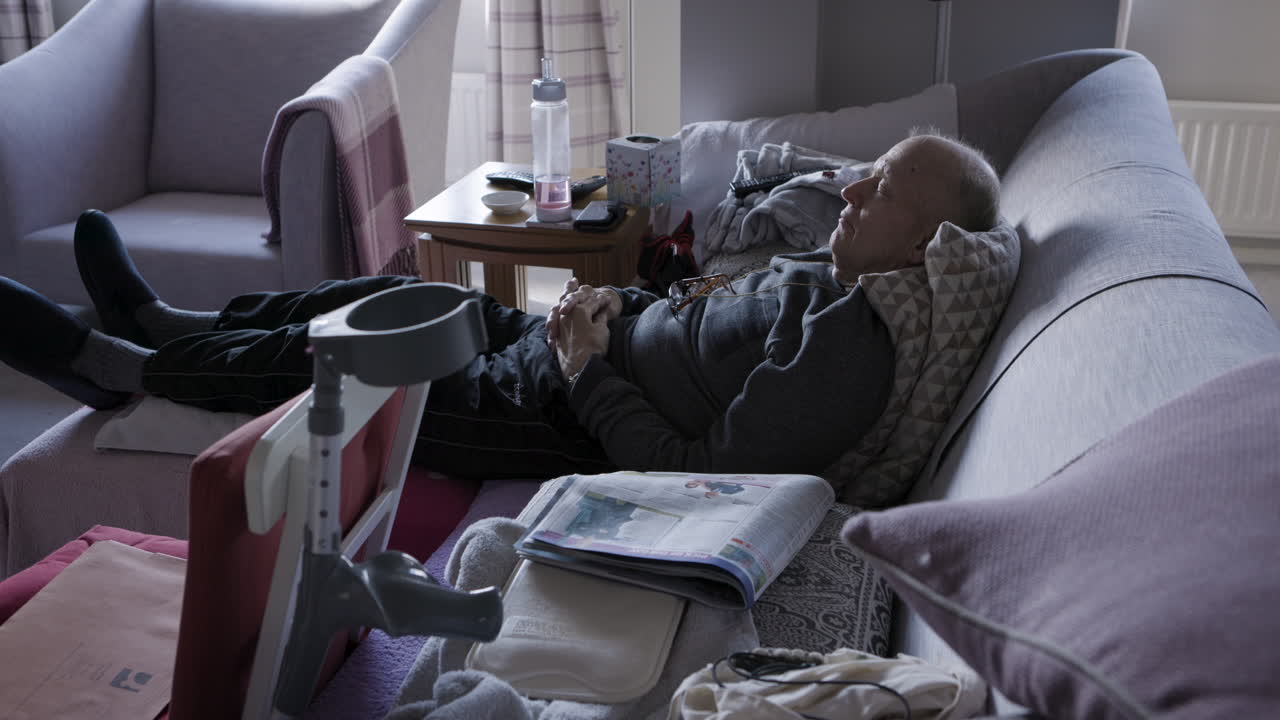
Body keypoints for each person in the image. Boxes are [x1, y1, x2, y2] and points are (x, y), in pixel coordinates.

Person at [0, 132, 1000, 481]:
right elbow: (698, 305)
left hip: (558, 418)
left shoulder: (850, 354)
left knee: (354, 365)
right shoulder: (822, 276)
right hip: (571, 352)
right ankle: (180, 325)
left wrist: (583, 369)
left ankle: (115, 371)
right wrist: (612, 303)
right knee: (399, 290)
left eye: (880, 192)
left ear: (922, 245)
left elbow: (704, 475)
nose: (850, 191)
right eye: (862, 174)